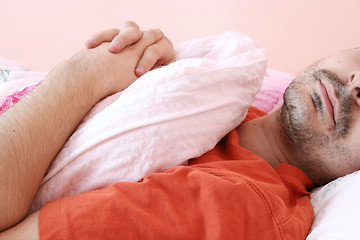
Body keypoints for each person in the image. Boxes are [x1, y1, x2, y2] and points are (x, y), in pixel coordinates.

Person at [0, 20, 359, 239]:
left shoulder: (238, 205)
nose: (357, 84)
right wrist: (148, 68)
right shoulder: (223, 97)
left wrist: (82, 75)